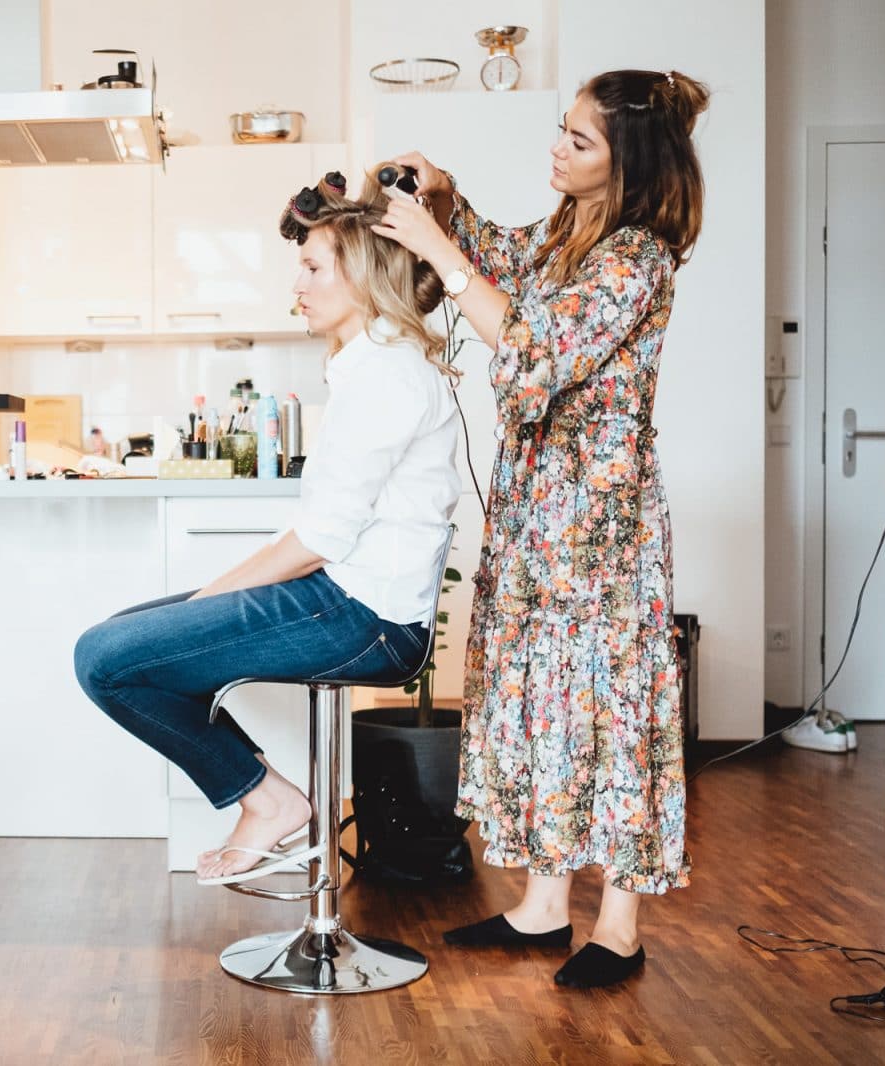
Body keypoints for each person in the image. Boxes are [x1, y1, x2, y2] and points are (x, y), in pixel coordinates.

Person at [372, 68, 710, 989]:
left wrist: (440, 249)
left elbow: (529, 345)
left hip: (601, 535)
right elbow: (502, 262)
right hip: (533, 521)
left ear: (627, 162)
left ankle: (622, 929)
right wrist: (444, 196)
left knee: (609, 715)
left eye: (579, 141)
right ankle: (542, 908)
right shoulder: (570, 231)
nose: (556, 150)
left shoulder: (636, 258)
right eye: (559, 131)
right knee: (540, 709)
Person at [74, 169, 462, 884]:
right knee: (121, 646)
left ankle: (268, 801)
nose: (299, 286)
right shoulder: (367, 366)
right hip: (349, 602)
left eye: (314, 267)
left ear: (364, 273)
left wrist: (208, 600)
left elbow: (319, 541)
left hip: (361, 617)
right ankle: (270, 797)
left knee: (106, 660)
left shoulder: (385, 375)